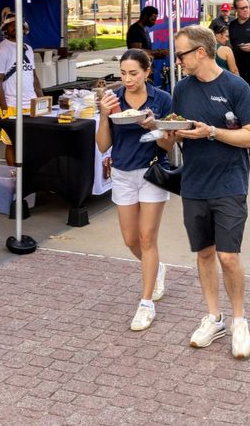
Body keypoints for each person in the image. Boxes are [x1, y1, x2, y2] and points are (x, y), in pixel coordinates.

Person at [165, 25, 250, 359]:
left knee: (228, 256)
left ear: (201, 52)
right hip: (193, 183)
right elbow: (172, 136)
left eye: (182, 54)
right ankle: (213, 317)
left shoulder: (236, 87)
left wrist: (212, 132)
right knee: (204, 253)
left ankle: (239, 319)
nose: (178, 61)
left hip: (230, 182)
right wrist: (163, 132)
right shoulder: (182, 89)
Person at [97, 49, 174, 331]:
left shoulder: (162, 99)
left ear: (146, 72)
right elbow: (103, 146)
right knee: (131, 240)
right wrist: (104, 115)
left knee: (146, 238)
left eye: (133, 73)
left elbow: (168, 145)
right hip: (122, 174)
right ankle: (157, 268)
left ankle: (145, 304)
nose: (127, 79)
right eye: (123, 74)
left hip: (152, 171)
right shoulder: (112, 99)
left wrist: (154, 125)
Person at [0, 15, 44, 166]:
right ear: (5, 30)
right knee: (12, 143)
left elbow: (34, 77)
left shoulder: (28, 49)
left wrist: (42, 100)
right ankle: (14, 178)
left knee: (32, 142)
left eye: (20, 24)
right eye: (12, 25)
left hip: (31, 103)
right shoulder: (1, 51)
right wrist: (5, 110)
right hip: (12, 105)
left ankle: (27, 176)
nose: (16, 27)